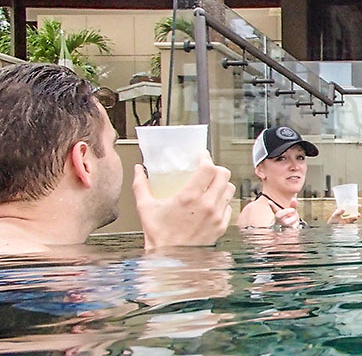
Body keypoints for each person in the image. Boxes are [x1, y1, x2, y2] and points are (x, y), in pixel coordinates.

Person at [0, 63, 235, 255]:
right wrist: (177, 252)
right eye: (113, 143)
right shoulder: (24, 265)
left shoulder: (48, 259)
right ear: (83, 162)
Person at [236, 126, 360, 228]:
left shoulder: (280, 213)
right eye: (281, 158)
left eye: (300, 158)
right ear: (261, 170)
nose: (295, 166)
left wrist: (333, 228)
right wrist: (280, 236)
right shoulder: (259, 213)